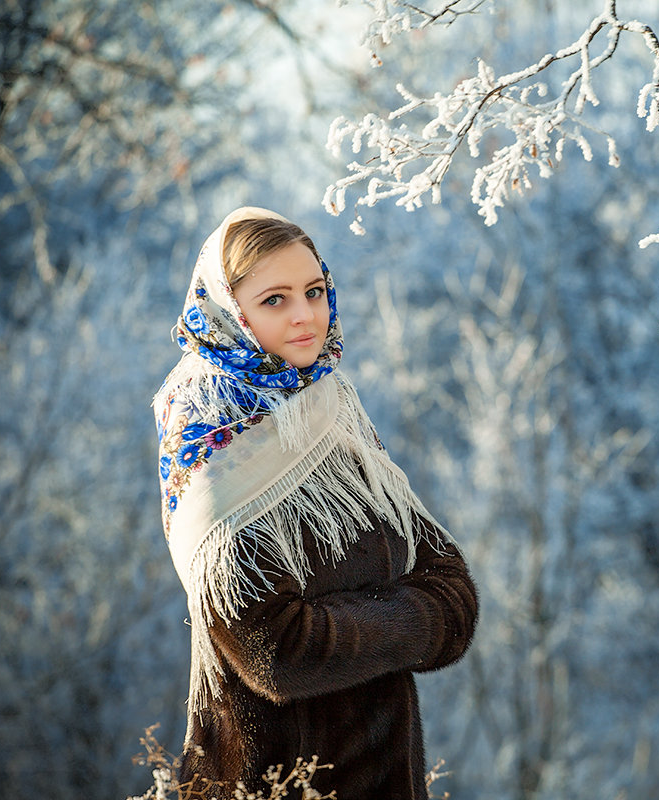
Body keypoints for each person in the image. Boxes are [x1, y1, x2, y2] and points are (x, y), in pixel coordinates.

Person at [153, 207, 478, 799]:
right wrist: (404, 614)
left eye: (315, 290)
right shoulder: (208, 436)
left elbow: (455, 598)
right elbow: (276, 653)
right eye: (275, 299)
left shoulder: (333, 413)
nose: (306, 315)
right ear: (230, 312)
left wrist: (347, 620)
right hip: (274, 781)